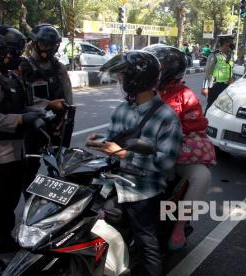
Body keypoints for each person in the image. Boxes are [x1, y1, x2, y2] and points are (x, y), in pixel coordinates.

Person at [0, 25, 65, 275]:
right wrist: (21, 120)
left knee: (8, 201)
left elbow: (26, 102)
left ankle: (3, 240)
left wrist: (44, 108)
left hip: (13, 152)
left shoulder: (9, 75)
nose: (14, 57)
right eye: (10, 52)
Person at [87, 51, 183, 276]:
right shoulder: (123, 109)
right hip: (113, 183)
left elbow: (166, 162)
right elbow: (115, 140)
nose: (119, 83)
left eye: (121, 79)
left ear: (135, 80)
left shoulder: (167, 118)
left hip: (144, 191)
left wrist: (123, 155)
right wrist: (99, 142)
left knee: (147, 243)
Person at [143, 44, 216, 250]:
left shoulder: (185, 95)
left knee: (202, 177)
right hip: (139, 152)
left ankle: (179, 225)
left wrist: (172, 135)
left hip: (173, 154)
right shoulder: (141, 90)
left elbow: (197, 126)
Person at [22, 24, 73, 194]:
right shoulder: (24, 67)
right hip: (33, 128)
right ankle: (30, 206)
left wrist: (65, 121)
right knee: (29, 171)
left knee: (59, 169)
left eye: (53, 45)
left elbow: (68, 97)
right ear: (35, 43)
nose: (49, 49)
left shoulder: (59, 68)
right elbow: (21, 100)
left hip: (56, 127)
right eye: (45, 44)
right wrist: (48, 104)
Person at [201, 34, 235, 113]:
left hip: (227, 86)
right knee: (211, 106)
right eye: (230, 42)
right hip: (215, 86)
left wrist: (232, 79)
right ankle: (205, 123)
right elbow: (208, 72)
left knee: (225, 108)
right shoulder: (214, 55)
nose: (232, 45)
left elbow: (231, 69)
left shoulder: (231, 55)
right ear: (225, 43)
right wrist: (204, 87)